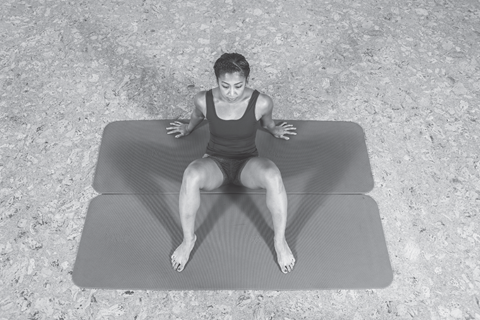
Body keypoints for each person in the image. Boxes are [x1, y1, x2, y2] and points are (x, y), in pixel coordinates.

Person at [166, 53, 297, 274]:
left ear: (247, 81)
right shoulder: (202, 99)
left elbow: (267, 123)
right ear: (217, 81)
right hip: (215, 163)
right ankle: (188, 240)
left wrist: (275, 130)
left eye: (238, 86)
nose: (232, 93)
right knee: (190, 174)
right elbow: (197, 116)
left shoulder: (262, 102)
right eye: (225, 86)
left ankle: (280, 241)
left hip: (248, 164)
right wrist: (188, 128)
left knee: (273, 175)